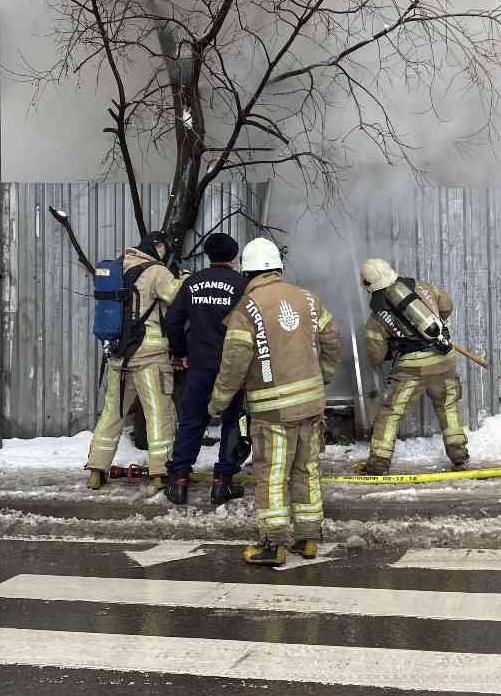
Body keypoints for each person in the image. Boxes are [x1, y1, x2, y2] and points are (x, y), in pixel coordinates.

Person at [209, 238, 342, 565]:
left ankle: (274, 544)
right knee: (307, 470)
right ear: (277, 268)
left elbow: (234, 362)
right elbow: (333, 342)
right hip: (312, 407)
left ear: (248, 271)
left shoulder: (247, 308)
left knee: (272, 474)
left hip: (273, 412)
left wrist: (218, 402)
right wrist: (322, 377)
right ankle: (309, 539)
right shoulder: (309, 300)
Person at [84, 232, 185, 496]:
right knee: (159, 413)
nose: (166, 253)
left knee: (112, 414)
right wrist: (184, 278)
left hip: (118, 355)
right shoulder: (156, 272)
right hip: (150, 357)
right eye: (166, 248)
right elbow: (177, 297)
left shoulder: (119, 267)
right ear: (158, 247)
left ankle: (97, 469)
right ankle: (160, 473)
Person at [357, 257, 469, 475]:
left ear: (369, 285)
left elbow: (376, 355)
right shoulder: (421, 287)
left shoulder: (377, 315)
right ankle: (459, 455)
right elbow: (446, 304)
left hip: (412, 368)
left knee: (392, 411)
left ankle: (378, 462)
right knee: (447, 405)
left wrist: (392, 347)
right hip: (444, 358)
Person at [162, 232, 249, 505]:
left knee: (192, 421)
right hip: (231, 368)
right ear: (233, 258)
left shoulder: (192, 283)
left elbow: (173, 322)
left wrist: (181, 353)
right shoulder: (243, 285)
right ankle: (223, 483)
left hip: (199, 366)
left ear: (208, 256)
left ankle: (178, 482)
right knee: (232, 422)